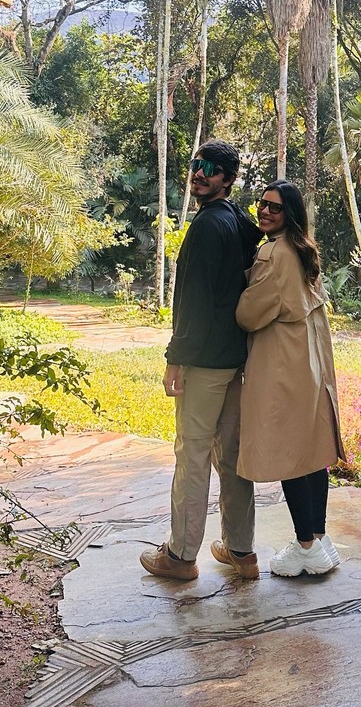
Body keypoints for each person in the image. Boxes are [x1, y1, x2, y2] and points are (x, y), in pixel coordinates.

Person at [140, 139, 263, 582]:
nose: (199, 173)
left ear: (228, 180)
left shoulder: (209, 225)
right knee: (231, 457)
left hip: (207, 363)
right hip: (235, 359)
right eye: (196, 165)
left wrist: (177, 358)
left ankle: (180, 556)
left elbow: (193, 301)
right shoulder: (241, 223)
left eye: (211, 169)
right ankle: (241, 552)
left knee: (192, 454)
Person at [236, 179, 345, 577]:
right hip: (308, 364)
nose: (265, 211)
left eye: (275, 208)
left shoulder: (273, 254)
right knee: (311, 454)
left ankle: (304, 547)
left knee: (290, 455)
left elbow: (249, 314)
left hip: (282, 367)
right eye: (262, 204)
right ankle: (317, 536)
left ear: (290, 215)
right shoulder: (304, 250)